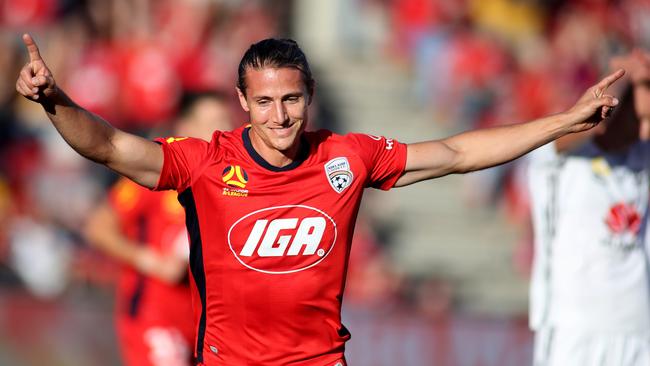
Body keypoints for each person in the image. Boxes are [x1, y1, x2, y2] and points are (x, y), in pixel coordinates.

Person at [16, 33, 623, 365]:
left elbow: (458, 153)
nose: (279, 116)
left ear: (308, 95)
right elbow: (112, 149)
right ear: (242, 101)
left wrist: (561, 122)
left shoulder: (347, 156)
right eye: (264, 102)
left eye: (292, 99)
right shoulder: (206, 162)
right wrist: (54, 100)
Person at [84, 92, 233, 366]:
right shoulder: (159, 178)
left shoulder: (234, 186)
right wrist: (149, 260)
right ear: (185, 127)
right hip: (156, 321)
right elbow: (98, 226)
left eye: (226, 122)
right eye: (213, 122)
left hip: (208, 326)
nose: (222, 132)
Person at [527, 50, 650, 366]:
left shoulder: (643, 156)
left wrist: (643, 80)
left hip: (639, 328)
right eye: (643, 118)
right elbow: (588, 126)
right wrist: (624, 75)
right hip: (573, 326)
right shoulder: (559, 154)